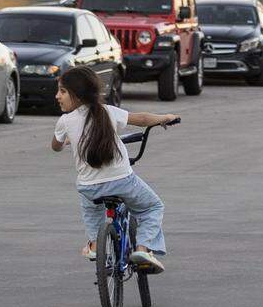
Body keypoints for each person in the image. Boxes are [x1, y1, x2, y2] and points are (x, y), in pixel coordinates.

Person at [51, 66, 178, 273]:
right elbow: (143, 120)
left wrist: (65, 141)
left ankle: (93, 244)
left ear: (77, 93)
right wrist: (165, 117)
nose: (57, 96)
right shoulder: (109, 112)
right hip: (122, 181)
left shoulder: (65, 121)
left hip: (89, 187)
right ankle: (143, 249)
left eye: (62, 91)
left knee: (91, 210)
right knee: (152, 207)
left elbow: (55, 146)